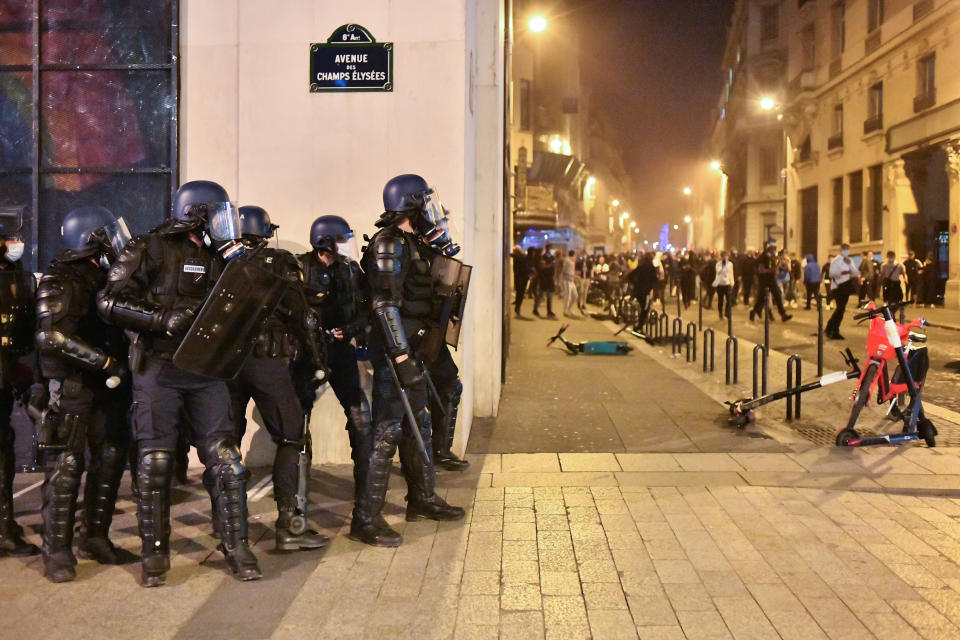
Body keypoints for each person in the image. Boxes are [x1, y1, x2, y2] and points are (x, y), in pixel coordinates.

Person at [97, 180, 261, 586]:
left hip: (207, 371)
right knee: (155, 463)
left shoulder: (221, 256)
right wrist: (158, 319)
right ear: (196, 214)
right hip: (158, 368)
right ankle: (155, 555)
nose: (226, 223)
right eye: (218, 214)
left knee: (226, 459)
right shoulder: (149, 248)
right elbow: (108, 301)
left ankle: (236, 545)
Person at [358, 174, 465, 546]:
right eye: (425, 203)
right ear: (411, 204)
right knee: (387, 432)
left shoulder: (413, 242)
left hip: (417, 351)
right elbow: (384, 304)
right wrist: (400, 355)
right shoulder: (389, 244)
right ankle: (366, 519)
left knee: (417, 425)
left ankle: (421, 499)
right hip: (396, 354)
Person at [34, 206, 132, 582]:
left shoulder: (103, 275)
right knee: (66, 467)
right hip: (73, 386)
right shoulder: (60, 279)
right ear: (90, 239)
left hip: (106, 389)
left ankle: (95, 536)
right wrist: (105, 363)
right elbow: (51, 337)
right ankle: (56, 551)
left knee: (109, 459)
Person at [227, 206, 328, 552]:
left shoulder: (217, 261)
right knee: (291, 436)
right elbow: (305, 318)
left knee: (226, 446)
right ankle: (290, 523)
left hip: (225, 364)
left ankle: (227, 523)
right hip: (268, 361)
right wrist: (318, 364)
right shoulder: (279, 262)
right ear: (265, 232)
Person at [300, 215, 389, 543]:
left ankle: (364, 514)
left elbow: (367, 309)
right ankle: (296, 515)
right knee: (296, 432)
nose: (344, 247)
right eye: (339, 240)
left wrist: (350, 330)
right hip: (309, 357)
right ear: (324, 242)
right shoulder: (299, 269)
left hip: (341, 353)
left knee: (362, 425)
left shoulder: (350, 271)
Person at [0, 208, 39, 559]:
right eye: (10, 237)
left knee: (4, 449)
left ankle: (4, 526)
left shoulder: (16, 274)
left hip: (7, 376)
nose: (17, 243)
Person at [825, 243, 860, 340]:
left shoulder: (850, 260)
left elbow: (856, 273)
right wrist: (842, 273)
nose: (846, 251)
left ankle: (831, 328)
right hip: (838, 287)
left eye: (847, 249)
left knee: (841, 309)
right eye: (844, 249)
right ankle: (833, 330)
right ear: (841, 250)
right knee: (840, 309)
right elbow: (831, 274)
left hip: (846, 286)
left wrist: (849, 265)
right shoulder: (836, 261)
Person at [750, 244, 792, 322]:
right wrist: (772, 270)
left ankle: (783, 314)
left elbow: (775, 269)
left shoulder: (772, 258)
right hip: (764, 281)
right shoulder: (763, 258)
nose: (774, 252)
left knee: (778, 296)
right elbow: (761, 270)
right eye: (774, 250)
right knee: (761, 299)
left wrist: (777, 268)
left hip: (772, 281)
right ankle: (753, 312)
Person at [533, 250, 556, 317]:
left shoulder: (550, 266)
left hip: (549, 282)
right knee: (541, 297)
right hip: (544, 283)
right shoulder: (542, 264)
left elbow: (552, 274)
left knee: (549, 298)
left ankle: (549, 311)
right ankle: (535, 309)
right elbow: (541, 271)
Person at [713, 251, 734, 320]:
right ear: (721, 257)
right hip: (720, 284)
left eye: (726, 256)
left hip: (727, 284)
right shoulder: (718, 264)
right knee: (720, 300)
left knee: (729, 300)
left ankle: (727, 313)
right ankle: (720, 313)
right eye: (723, 256)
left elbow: (731, 274)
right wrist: (723, 265)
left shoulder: (730, 264)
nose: (725, 257)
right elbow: (718, 272)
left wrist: (732, 283)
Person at [560, 250, 578, 318]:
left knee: (575, 296)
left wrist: (574, 276)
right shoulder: (567, 261)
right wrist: (573, 276)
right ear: (573, 255)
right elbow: (564, 271)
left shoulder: (572, 261)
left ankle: (569, 309)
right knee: (567, 296)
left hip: (571, 280)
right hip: (567, 280)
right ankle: (565, 311)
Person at [511, 246, 528, 317]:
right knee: (520, 292)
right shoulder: (523, 256)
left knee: (519, 292)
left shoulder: (519, 257)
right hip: (522, 277)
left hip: (520, 277)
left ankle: (517, 306)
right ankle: (517, 306)